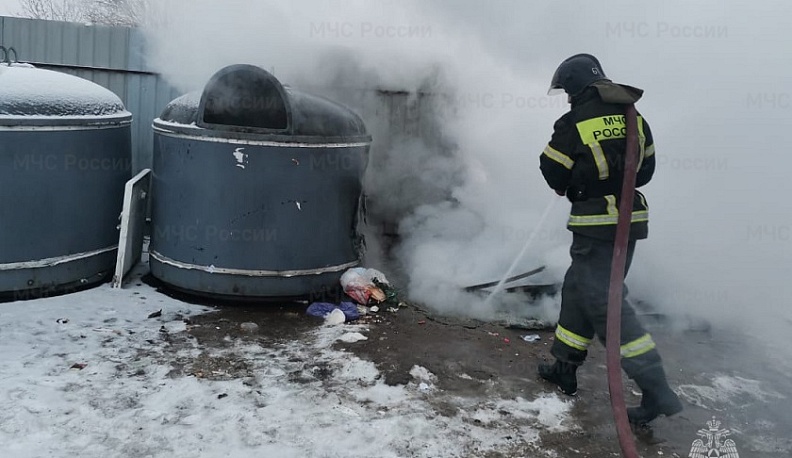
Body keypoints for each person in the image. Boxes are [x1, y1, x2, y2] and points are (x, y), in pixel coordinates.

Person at [537, 53, 683, 425]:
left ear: (574, 87)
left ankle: (656, 389)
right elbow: (645, 170)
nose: (567, 98)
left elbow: (553, 171)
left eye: (567, 91)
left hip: (595, 223)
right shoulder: (635, 115)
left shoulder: (574, 122)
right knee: (579, 288)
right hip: (629, 221)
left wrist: (580, 183)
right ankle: (564, 367)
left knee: (606, 303)